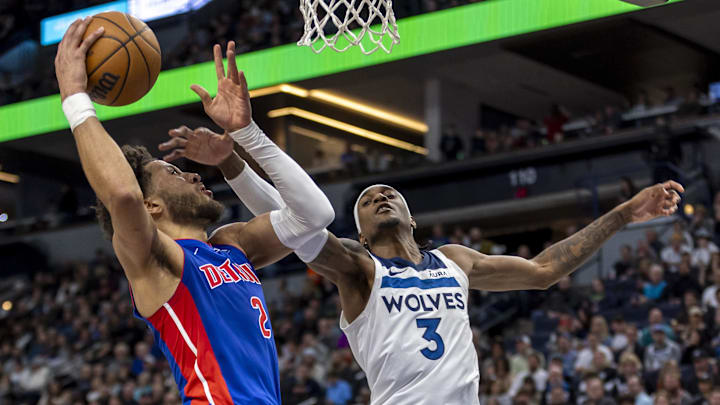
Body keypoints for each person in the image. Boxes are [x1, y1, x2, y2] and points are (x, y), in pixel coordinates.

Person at [167, 115, 684, 404]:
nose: (381, 197)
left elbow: (547, 270)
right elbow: (297, 222)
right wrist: (234, 161)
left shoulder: (455, 260)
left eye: (389, 192)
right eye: (367, 200)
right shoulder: (359, 270)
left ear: (412, 217)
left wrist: (624, 212)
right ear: (361, 235)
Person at [55, 22, 334, 404]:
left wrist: (243, 140)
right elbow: (122, 196)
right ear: (151, 205)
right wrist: (74, 96)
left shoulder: (233, 245)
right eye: (172, 172)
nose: (189, 172)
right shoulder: (157, 260)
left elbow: (314, 215)